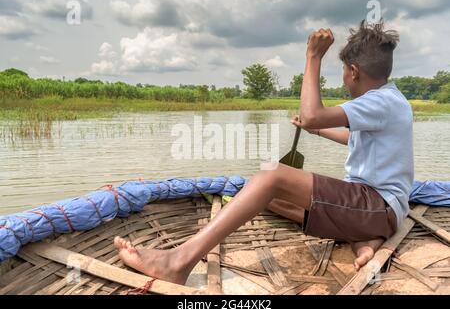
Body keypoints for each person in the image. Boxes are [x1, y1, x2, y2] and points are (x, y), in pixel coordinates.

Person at [114, 21, 414, 285]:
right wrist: (317, 130)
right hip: (375, 210)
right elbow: (351, 138)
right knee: (264, 195)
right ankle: (362, 235)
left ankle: (177, 262)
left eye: (344, 73)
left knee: (270, 175)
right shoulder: (387, 100)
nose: (344, 80)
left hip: (377, 206)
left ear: (353, 71)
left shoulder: (380, 102)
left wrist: (313, 57)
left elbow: (311, 114)